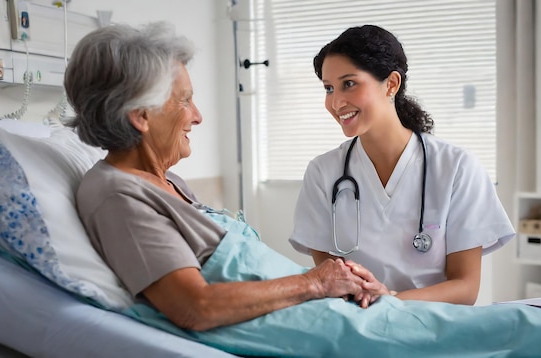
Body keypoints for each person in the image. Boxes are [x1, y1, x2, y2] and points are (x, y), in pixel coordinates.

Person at [64, 21, 370, 332]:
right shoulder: (117, 195)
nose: (197, 116)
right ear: (141, 115)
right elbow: (196, 307)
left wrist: (339, 282)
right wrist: (315, 282)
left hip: (321, 310)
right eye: (185, 100)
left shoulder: (169, 182)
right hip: (315, 326)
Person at [289, 25, 515, 307]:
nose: (335, 102)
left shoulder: (457, 168)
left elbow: (465, 289)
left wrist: (391, 300)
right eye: (329, 88)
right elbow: (329, 284)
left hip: (436, 328)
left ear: (391, 84)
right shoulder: (323, 173)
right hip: (356, 327)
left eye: (349, 83)